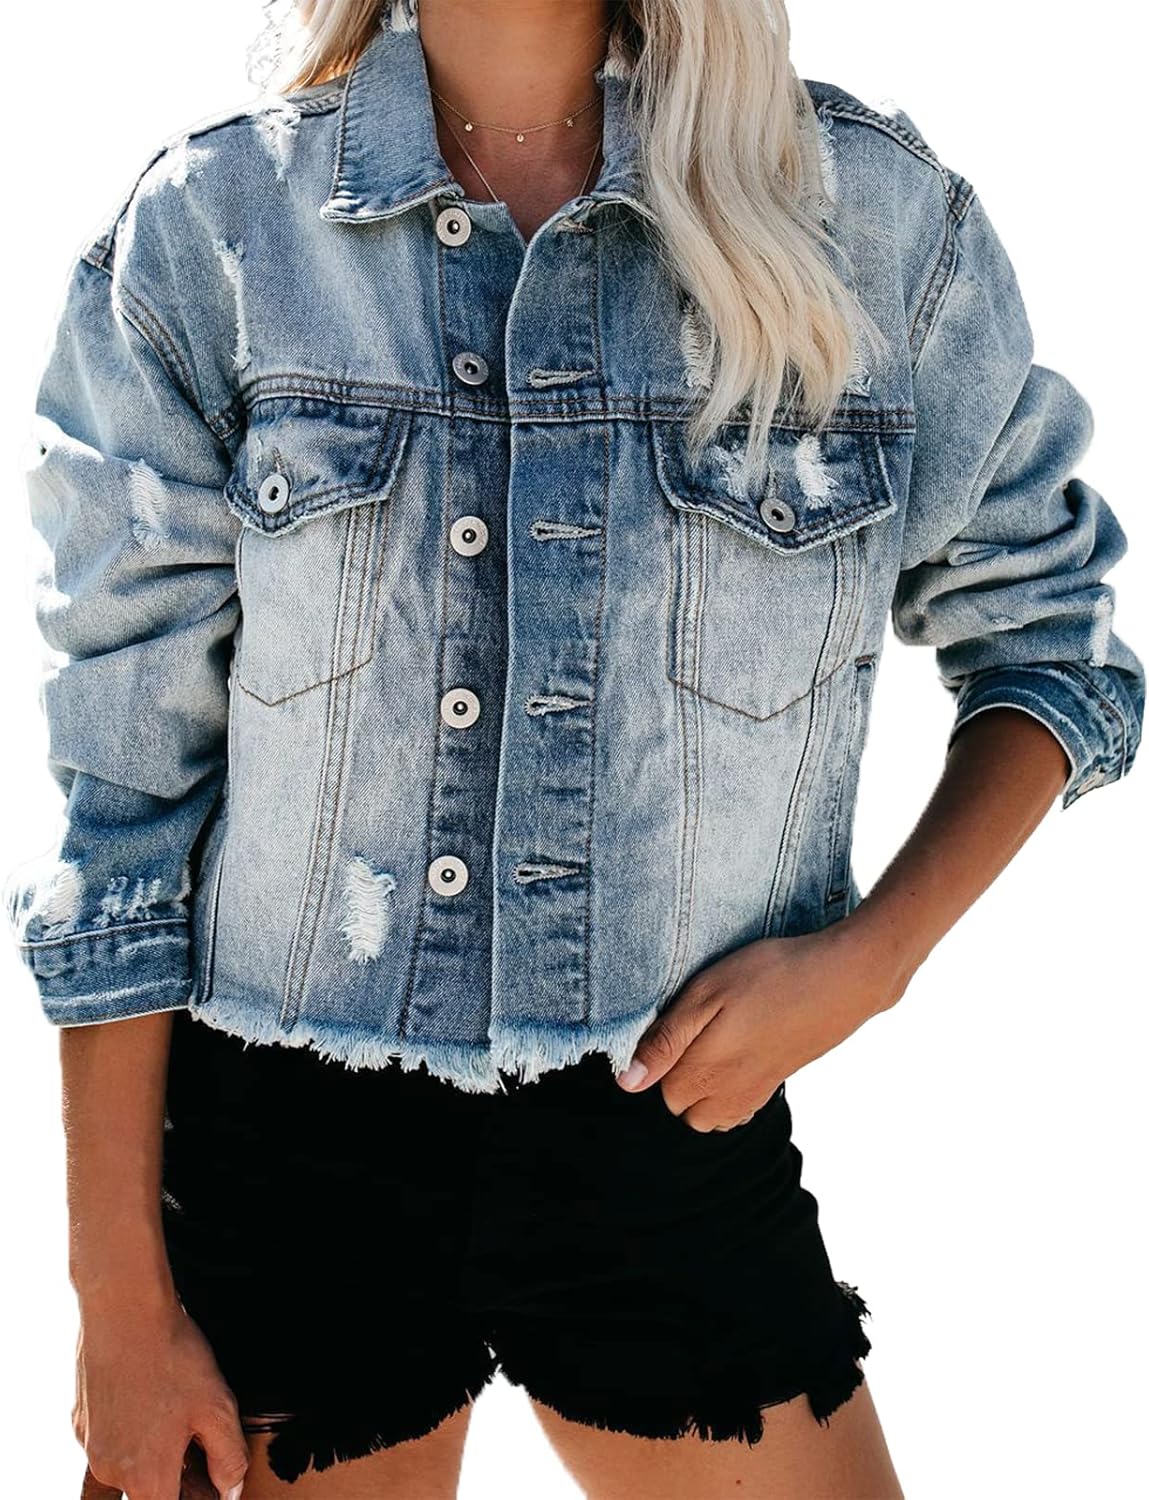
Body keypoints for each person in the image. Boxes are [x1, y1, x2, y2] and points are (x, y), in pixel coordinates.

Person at [5, 1, 1144, 1496]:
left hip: (672, 1129)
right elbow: (127, 814)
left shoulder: (862, 217)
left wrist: (873, 960)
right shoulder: (215, 232)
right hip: (283, 1160)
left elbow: (1050, 643)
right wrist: (118, 1308)